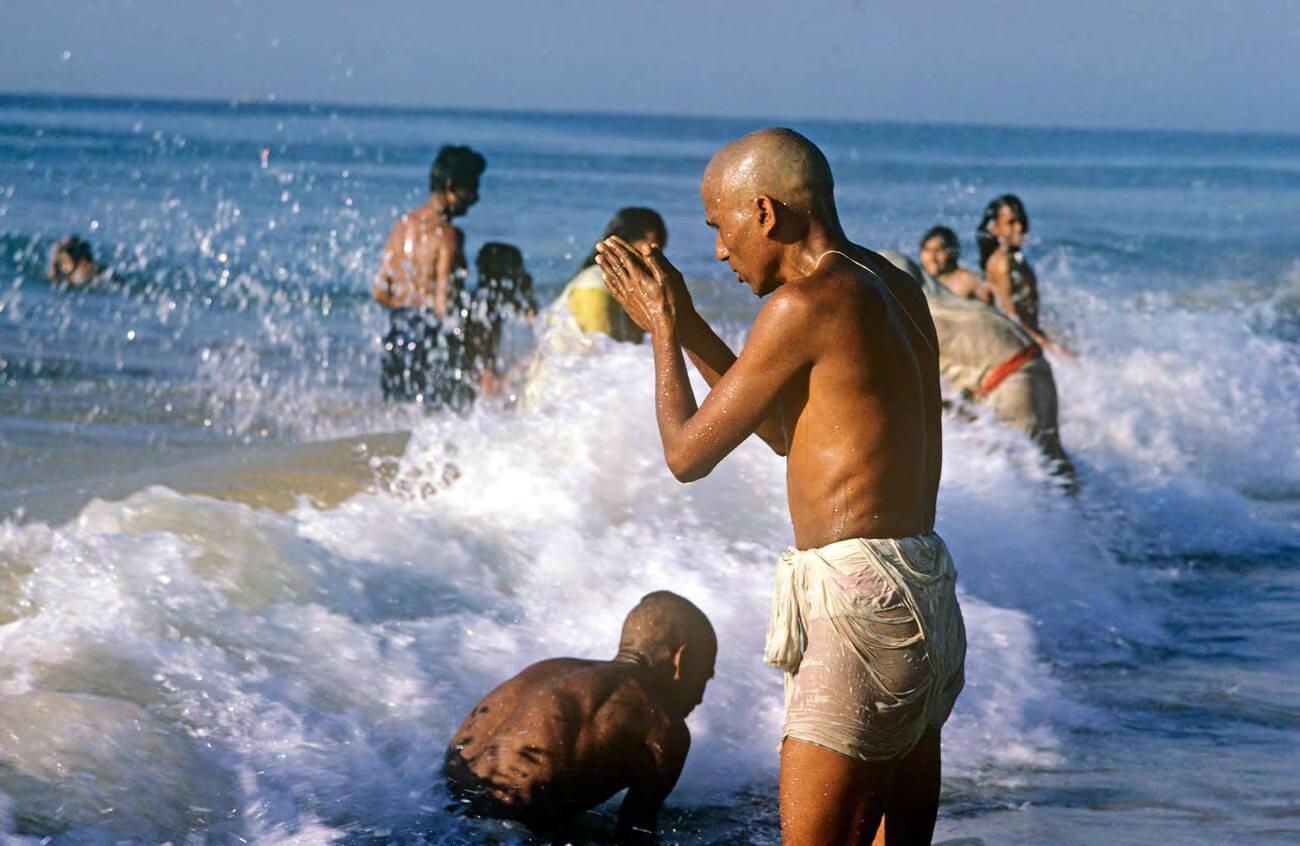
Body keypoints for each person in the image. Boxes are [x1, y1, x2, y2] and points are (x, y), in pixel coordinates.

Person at [596, 128, 965, 846]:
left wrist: (663, 329)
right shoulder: (893, 287)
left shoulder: (806, 304)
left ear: (764, 212)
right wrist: (691, 322)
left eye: (720, 224)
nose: (719, 250)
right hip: (924, 590)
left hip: (860, 600)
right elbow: (784, 434)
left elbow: (685, 455)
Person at [444, 591, 716, 845]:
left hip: (442, 810)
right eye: (704, 676)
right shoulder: (661, 726)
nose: (700, 698)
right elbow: (635, 834)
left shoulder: (547, 669)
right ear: (682, 660)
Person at [886, 248, 1076, 486]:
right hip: (1035, 366)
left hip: (1011, 382)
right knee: (1057, 469)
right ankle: (1102, 509)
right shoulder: (951, 303)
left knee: (1026, 481)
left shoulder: (911, 320)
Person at [374, 145, 486, 407]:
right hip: (428, 341)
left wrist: (407, 313)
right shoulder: (448, 235)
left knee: (398, 408)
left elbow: (379, 291)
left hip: (396, 335)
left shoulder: (402, 226)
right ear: (450, 187)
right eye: (471, 188)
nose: (475, 198)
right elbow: (443, 303)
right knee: (445, 402)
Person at [543, 208, 667, 349]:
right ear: (623, 245)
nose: (657, 261)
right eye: (652, 251)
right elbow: (599, 350)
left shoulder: (629, 288)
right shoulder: (595, 285)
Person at [976, 194, 1069, 354]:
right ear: (994, 229)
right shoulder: (1001, 263)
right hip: (1016, 346)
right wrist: (1051, 348)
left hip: (1028, 339)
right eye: (1011, 223)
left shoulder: (1016, 261)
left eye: (1021, 221)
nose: (1019, 228)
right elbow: (1011, 318)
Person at [468, 242, 537, 398]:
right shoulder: (486, 315)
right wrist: (529, 364)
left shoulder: (489, 308)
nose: (525, 274)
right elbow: (488, 389)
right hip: (485, 403)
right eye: (519, 268)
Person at [917, 226, 988, 303]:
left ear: (953, 253)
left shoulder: (967, 280)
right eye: (927, 250)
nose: (932, 257)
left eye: (938, 250)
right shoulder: (918, 281)